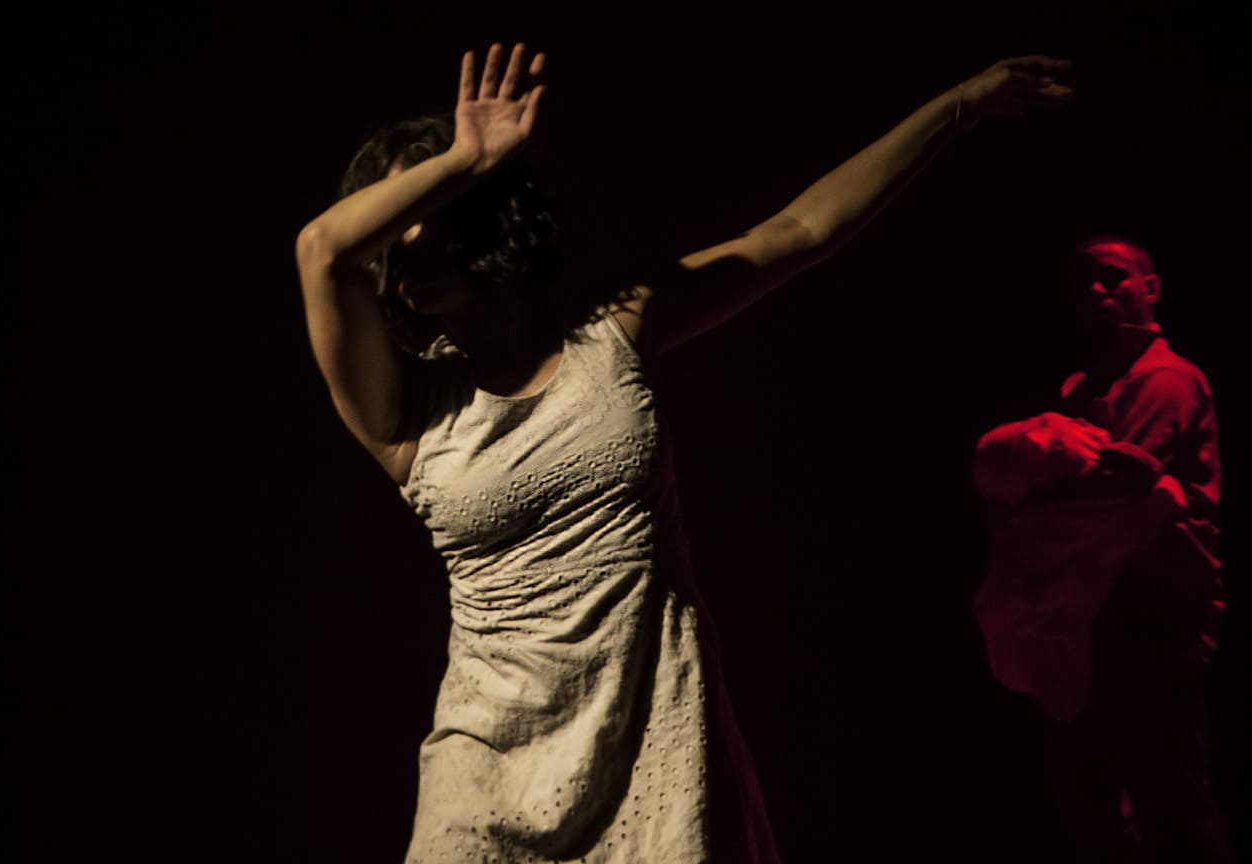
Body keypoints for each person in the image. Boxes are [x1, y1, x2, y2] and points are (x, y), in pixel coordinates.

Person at [296, 42, 1072, 863]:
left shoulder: (609, 334)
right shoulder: (404, 410)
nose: (400, 250)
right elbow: (322, 250)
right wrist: (464, 158)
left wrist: (958, 105)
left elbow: (800, 231)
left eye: (422, 211)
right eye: (388, 227)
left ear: (479, 209)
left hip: (653, 735)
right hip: (484, 768)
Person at [972, 236, 1228, 863]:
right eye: (1084, 282)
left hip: (1153, 616)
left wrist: (1027, 490)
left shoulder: (1166, 380)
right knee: (1091, 797)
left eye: (1113, 278)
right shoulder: (1084, 388)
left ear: (1151, 288)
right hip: (1089, 619)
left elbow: (1109, 489)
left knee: (1169, 801)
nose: (1095, 291)